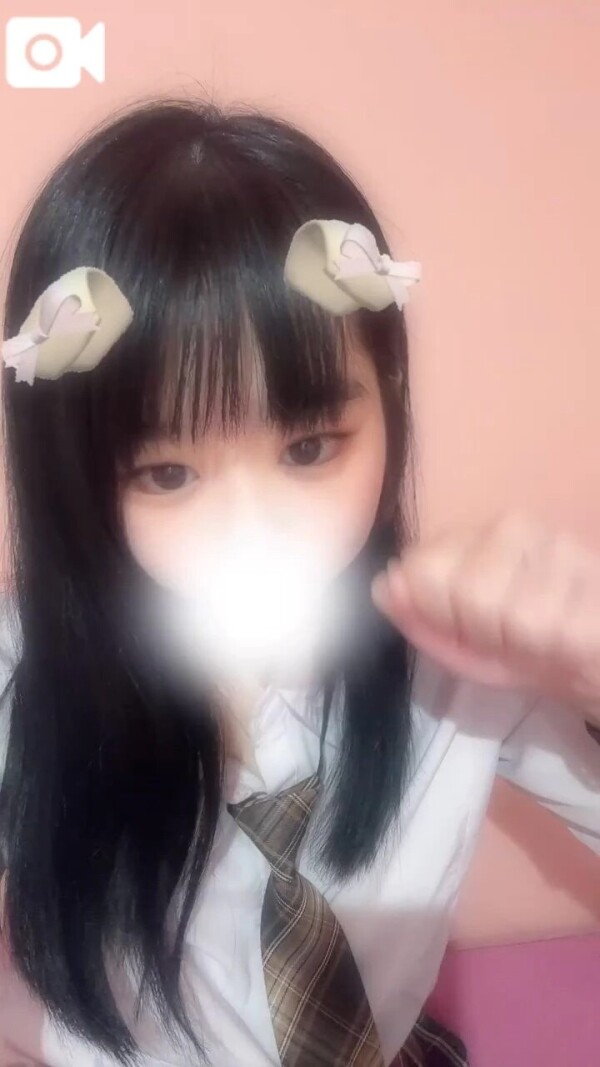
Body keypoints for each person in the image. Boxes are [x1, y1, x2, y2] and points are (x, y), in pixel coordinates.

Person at [0, 96, 598, 1067]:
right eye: (169, 472)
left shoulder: (460, 657)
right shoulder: (22, 680)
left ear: (388, 406)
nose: (255, 526)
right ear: (78, 474)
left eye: (310, 447)